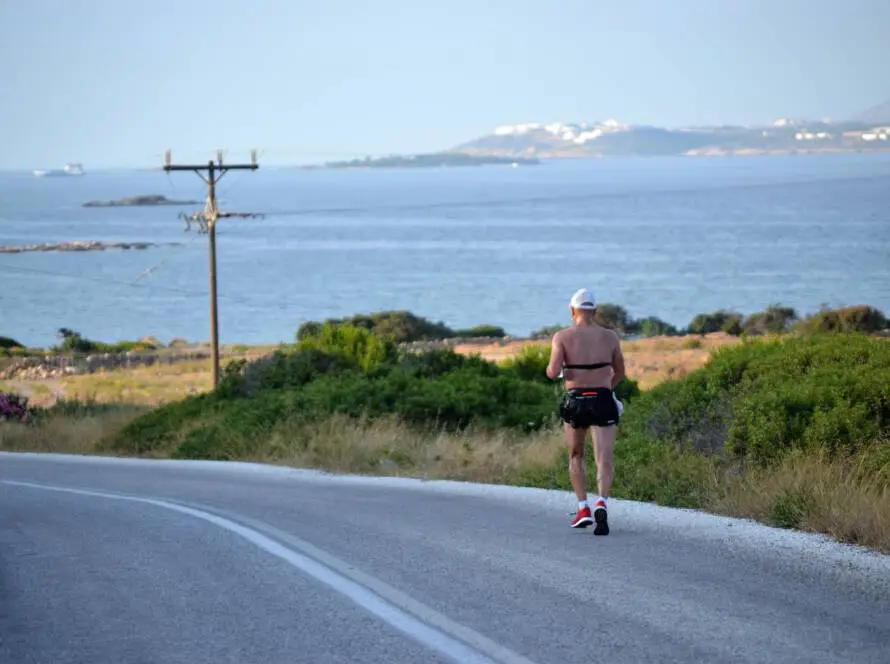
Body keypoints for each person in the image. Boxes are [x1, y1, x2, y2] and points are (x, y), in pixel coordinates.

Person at [545, 288, 626, 535]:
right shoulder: (610, 337)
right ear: (595, 311)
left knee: (576, 456)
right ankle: (602, 501)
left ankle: (583, 508)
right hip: (602, 399)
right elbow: (620, 372)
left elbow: (552, 371)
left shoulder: (562, 337)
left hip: (575, 400)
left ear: (572, 311)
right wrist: (605, 389)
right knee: (604, 459)